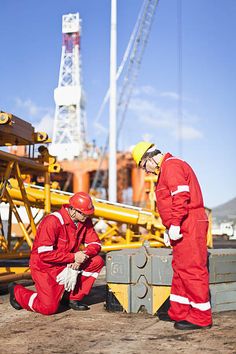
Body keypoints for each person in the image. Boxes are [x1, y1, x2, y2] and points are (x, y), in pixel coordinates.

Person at [132, 141, 212, 330]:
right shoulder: (166, 169)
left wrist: (175, 223)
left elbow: (180, 197)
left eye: (144, 166)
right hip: (183, 222)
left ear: (149, 158)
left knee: (192, 269)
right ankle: (180, 311)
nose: (147, 171)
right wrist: (169, 227)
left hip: (189, 222)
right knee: (180, 268)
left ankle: (201, 317)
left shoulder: (172, 166)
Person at [9, 192, 104, 315]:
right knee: (48, 308)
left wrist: (82, 256)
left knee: (97, 261)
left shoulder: (84, 221)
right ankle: (17, 292)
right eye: (84, 213)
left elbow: (96, 244)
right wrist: (74, 257)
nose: (87, 216)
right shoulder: (52, 221)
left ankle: (71, 298)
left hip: (66, 263)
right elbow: (44, 254)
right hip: (45, 267)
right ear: (73, 210)